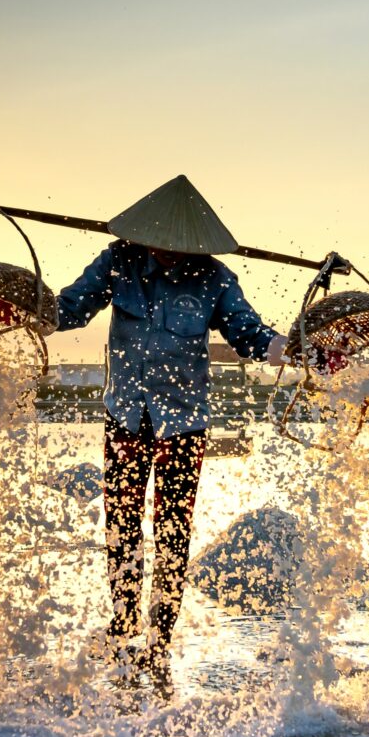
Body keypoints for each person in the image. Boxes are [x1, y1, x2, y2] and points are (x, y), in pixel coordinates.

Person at [53, 176, 285, 667]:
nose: (169, 254)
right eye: (161, 244)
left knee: (173, 530)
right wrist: (28, 308)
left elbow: (247, 332)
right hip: (125, 416)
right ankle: (121, 629)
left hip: (183, 424)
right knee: (121, 526)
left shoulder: (214, 278)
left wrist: (282, 347)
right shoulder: (118, 261)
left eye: (178, 248)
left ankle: (159, 639)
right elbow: (69, 308)